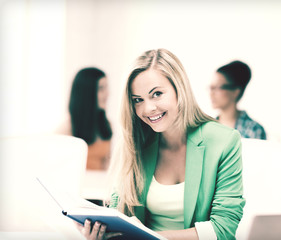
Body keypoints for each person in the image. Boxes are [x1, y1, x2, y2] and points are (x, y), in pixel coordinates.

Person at [76, 49, 245, 240]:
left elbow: (223, 229)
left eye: (156, 94)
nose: (147, 108)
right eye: (138, 100)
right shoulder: (137, 141)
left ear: (179, 89)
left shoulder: (224, 141)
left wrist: (147, 236)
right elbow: (119, 213)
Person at [58, 67, 113, 171]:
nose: (107, 93)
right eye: (101, 88)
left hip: (99, 184)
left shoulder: (107, 125)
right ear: (87, 93)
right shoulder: (66, 129)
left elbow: (107, 165)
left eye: (106, 88)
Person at [209, 60, 267, 140]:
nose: (211, 93)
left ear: (235, 92)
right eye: (211, 87)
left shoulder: (253, 130)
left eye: (218, 87)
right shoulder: (207, 129)